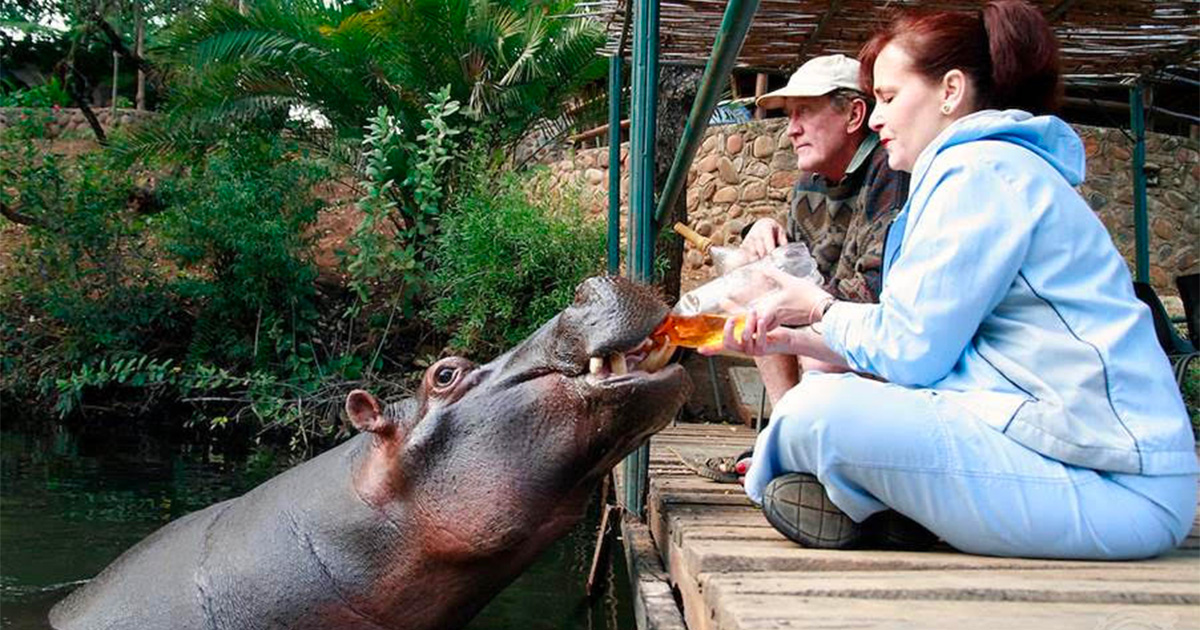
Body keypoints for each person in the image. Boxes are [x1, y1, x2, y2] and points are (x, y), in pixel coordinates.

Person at [701, 0, 1198, 559]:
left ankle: (860, 502)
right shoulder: (984, 168)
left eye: (888, 97)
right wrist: (787, 337)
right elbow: (930, 345)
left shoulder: (979, 173)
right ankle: (883, 509)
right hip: (1078, 461)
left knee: (813, 415)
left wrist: (816, 309)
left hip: (1115, 487)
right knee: (821, 398)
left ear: (950, 91)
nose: (879, 116)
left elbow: (911, 351)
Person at [739, 54, 909, 409]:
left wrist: (796, 308)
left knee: (822, 351)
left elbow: (874, 291)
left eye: (805, 111)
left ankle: (818, 443)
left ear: (854, 115)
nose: (791, 129)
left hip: (887, 341)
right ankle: (786, 423)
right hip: (828, 316)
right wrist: (761, 230)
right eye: (790, 115)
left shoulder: (890, 170)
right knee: (756, 273)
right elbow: (796, 263)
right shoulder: (809, 184)